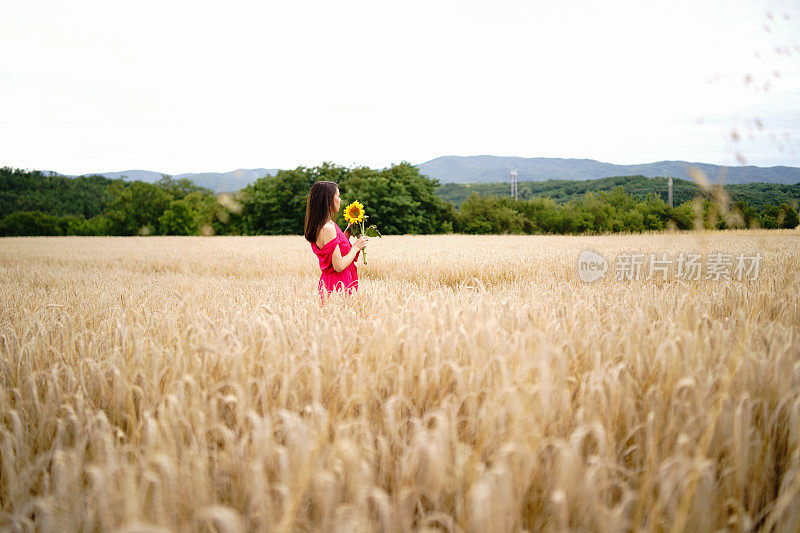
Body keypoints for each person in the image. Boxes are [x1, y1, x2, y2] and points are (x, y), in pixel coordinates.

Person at [304, 181, 368, 302]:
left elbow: (334, 250)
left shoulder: (323, 225)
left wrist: (347, 233)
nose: (340, 200)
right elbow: (338, 266)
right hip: (338, 285)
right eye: (338, 196)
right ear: (328, 200)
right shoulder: (328, 228)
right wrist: (356, 247)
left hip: (333, 283)